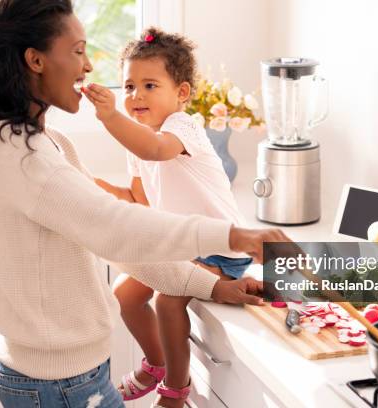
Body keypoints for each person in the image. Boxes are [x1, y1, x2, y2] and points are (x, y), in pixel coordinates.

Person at [0, 1, 289, 407]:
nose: (87, 67)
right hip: (58, 385)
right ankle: (173, 382)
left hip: (60, 378)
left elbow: (117, 237)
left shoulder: (40, 143)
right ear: (35, 60)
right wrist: (236, 235)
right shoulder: (22, 156)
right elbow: (119, 228)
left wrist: (214, 286)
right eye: (78, 51)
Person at [82, 27, 252, 408]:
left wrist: (111, 117)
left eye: (149, 85)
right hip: (181, 247)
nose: (135, 95)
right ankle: (156, 364)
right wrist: (93, 186)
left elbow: (158, 151)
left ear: (182, 93)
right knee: (123, 296)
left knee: (166, 300)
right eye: (128, 86)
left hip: (220, 248)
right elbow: (139, 200)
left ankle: (176, 389)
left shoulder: (181, 126)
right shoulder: (138, 138)